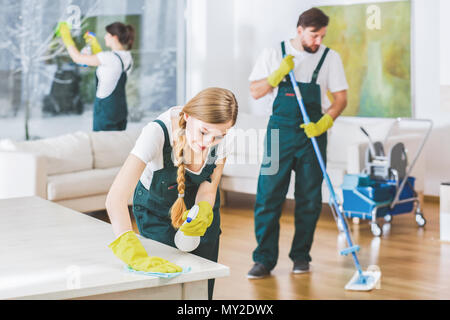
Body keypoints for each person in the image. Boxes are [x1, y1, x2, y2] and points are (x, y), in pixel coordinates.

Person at [105, 87, 238, 300]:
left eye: (218, 137)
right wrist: (132, 253)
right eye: (203, 132)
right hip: (157, 210)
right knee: (167, 287)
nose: (207, 144)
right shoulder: (157, 133)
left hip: (199, 213)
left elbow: (209, 186)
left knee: (201, 286)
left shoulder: (223, 139)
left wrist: (203, 208)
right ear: (187, 116)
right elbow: (115, 198)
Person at [247, 7, 348, 279]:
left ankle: (301, 256)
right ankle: (264, 260)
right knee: (268, 196)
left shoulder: (330, 58)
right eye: (314, 35)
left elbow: (340, 98)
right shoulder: (274, 53)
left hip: (312, 135)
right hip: (278, 134)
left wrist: (325, 122)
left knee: (310, 200)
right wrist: (276, 75)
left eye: (322, 36)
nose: (318, 42)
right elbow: (255, 92)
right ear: (300, 30)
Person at [57, 21, 134, 131]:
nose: (105, 37)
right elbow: (109, 68)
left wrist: (66, 38)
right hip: (120, 109)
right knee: (116, 143)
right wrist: (94, 45)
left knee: (102, 143)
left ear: (115, 37)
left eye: (108, 34)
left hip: (106, 109)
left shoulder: (109, 58)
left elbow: (77, 58)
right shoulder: (127, 56)